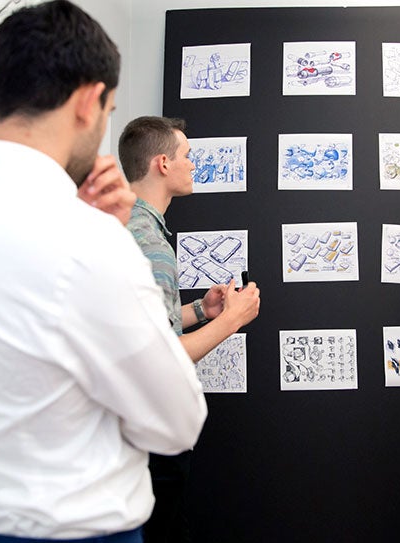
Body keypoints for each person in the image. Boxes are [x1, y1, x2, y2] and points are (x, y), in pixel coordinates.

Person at [0, 2, 208, 542]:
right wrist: (113, 246)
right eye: (110, 109)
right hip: (85, 532)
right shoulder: (88, 241)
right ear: (90, 100)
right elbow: (178, 421)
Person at [118, 115, 261, 543]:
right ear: (163, 164)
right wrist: (233, 319)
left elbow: (141, 328)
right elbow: (159, 358)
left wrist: (202, 309)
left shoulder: (129, 226)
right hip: (150, 438)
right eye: (188, 156)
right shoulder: (148, 241)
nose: (194, 165)